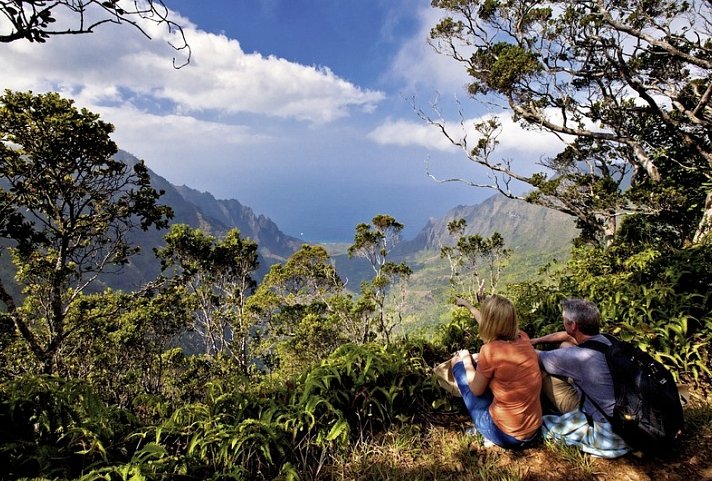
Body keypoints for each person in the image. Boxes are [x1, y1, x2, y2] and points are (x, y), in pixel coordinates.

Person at [531, 297, 630, 458]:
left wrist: (518, 345)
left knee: (541, 372)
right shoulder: (608, 340)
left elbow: (535, 357)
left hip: (608, 429)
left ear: (573, 325)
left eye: (565, 320)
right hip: (625, 416)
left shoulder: (577, 356)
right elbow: (567, 337)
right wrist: (536, 340)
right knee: (564, 345)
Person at [450, 295, 542, 449]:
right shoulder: (523, 337)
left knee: (457, 364)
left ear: (489, 323)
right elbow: (489, 325)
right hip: (535, 431)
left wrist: (465, 359)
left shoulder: (490, 350)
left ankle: (484, 431)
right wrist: (467, 305)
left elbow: (476, 390)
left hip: (508, 436)